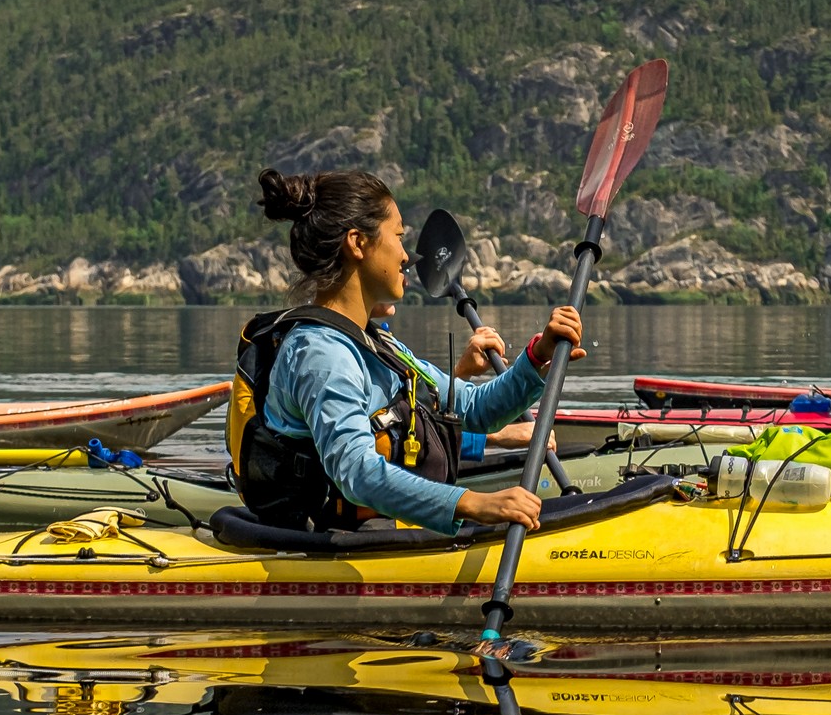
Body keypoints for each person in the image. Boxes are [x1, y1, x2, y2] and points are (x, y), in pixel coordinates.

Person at [230, 168, 582, 534]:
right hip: (332, 540)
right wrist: (474, 503)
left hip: (381, 529)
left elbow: (476, 409)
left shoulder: (376, 343)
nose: (407, 256)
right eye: (398, 237)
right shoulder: (320, 354)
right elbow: (355, 472)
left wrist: (539, 355)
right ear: (358, 243)